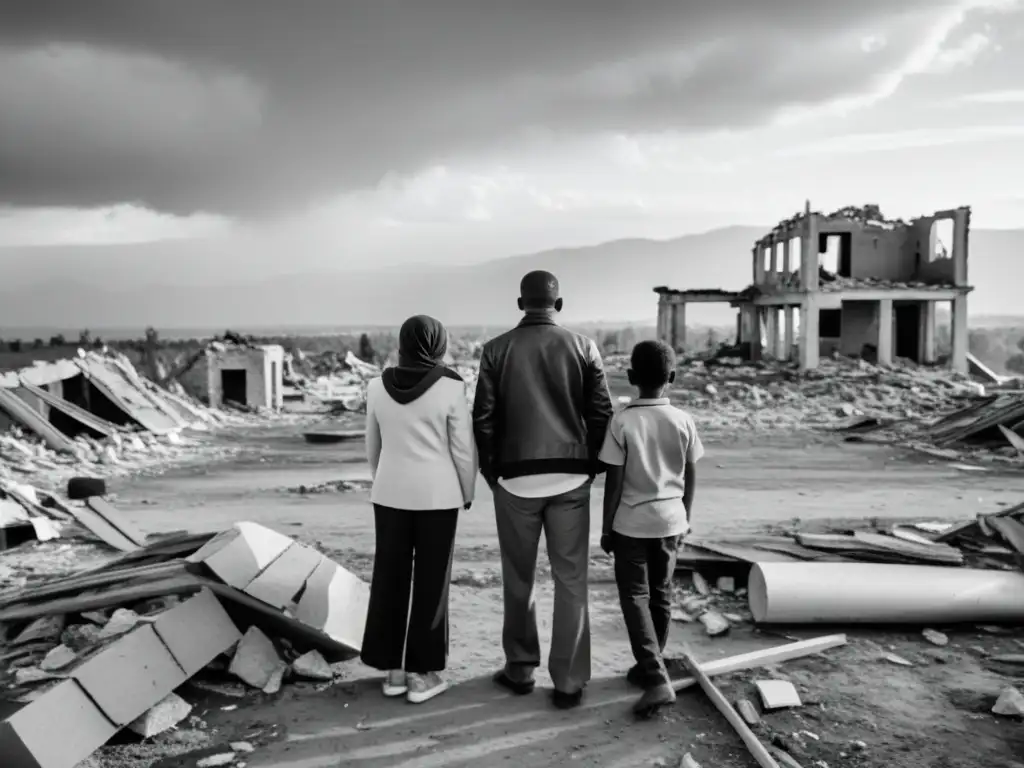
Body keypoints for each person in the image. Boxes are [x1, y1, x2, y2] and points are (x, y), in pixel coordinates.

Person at [473, 270, 613, 709]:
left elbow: (483, 418)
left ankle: (519, 669)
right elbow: (602, 411)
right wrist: (589, 465)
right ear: (560, 304)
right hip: (571, 478)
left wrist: (492, 472)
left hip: (515, 481)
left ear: (520, 304)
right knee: (571, 580)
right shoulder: (584, 346)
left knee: (519, 578)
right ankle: (569, 681)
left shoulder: (495, 350)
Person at [361, 315, 477, 704]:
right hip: (437, 498)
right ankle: (421, 675)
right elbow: (462, 448)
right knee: (431, 584)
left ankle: (393, 671)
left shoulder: (377, 386)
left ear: (403, 343)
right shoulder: (451, 388)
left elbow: (372, 446)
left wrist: (384, 479)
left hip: (389, 494)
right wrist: (467, 490)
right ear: (438, 344)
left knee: (390, 578)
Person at [598, 339, 704, 717]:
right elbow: (691, 474)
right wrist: (685, 516)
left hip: (631, 524)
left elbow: (614, 480)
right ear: (672, 378)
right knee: (661, 595)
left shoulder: (623, 421)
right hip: (672, 521)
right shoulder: (683, 420)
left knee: (635, 598)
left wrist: (607, 528)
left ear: (629, 378)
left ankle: (657, 678)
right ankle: (650, 667)